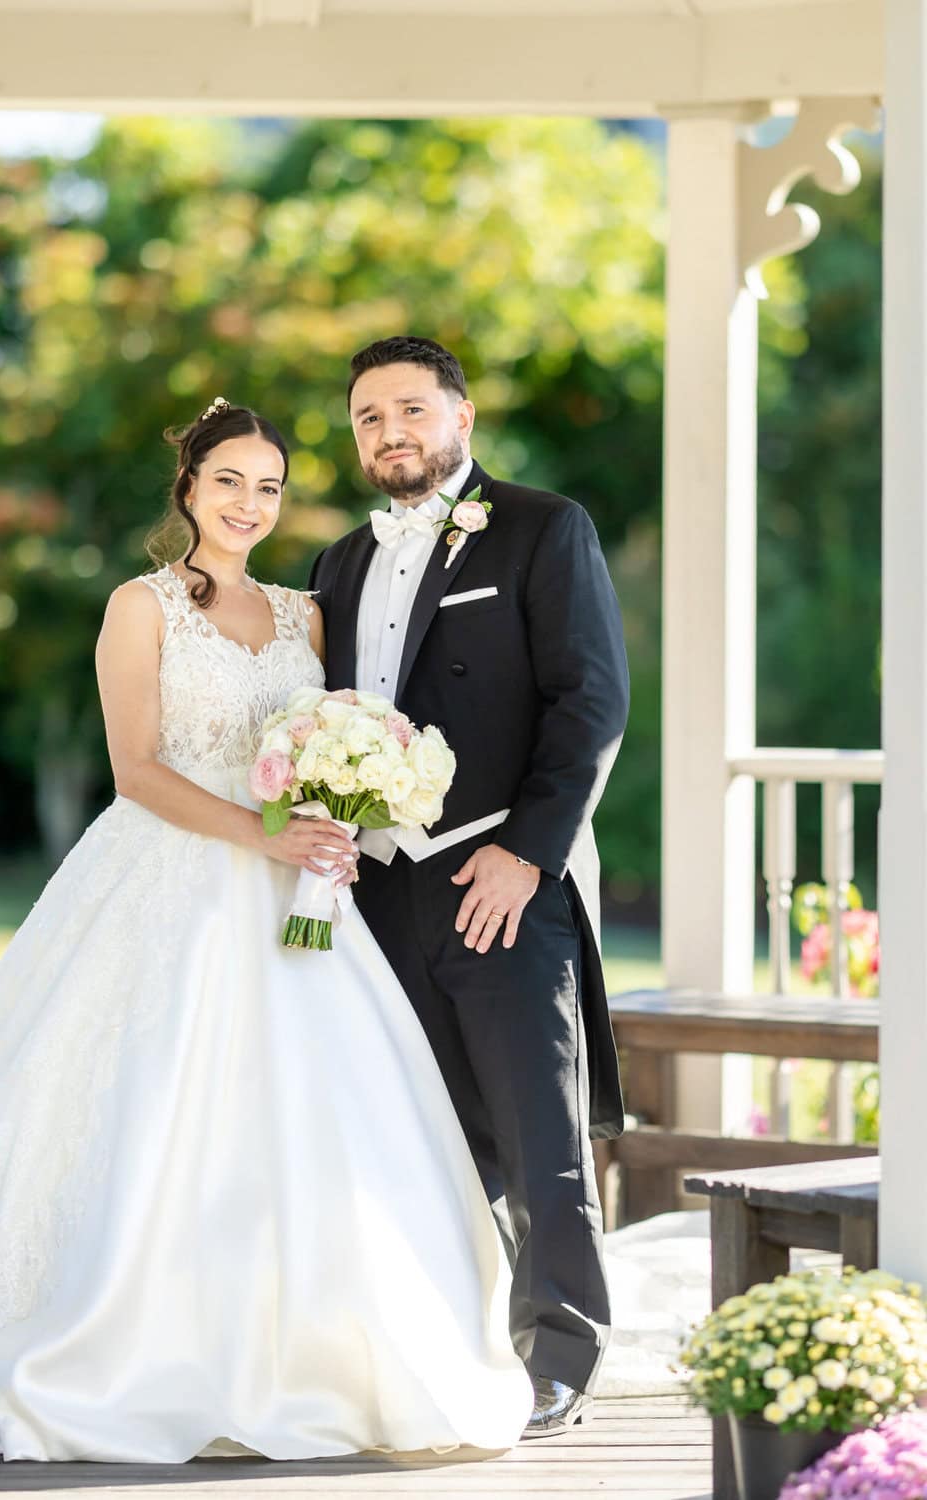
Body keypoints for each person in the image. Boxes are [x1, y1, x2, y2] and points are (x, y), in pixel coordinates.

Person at [0, 399, 532, 1463]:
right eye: (229, 480)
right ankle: (122, 1348)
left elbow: (335, 730)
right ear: (188, 487)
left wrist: (350, 796)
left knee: (322, 1110)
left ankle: (328, 1354)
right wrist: (260, 835)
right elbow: (137, 770)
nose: (249, 504)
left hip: (299, 898)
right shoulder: (138, 607)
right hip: (169, 874)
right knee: (146, 1098)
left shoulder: (303, 616)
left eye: (269, 486)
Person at [310, 336, 630, 1434]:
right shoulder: (340, 560)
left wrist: (530, 853)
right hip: (380, 895)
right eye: (367, 418)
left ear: (462, 415)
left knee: (540, 1134)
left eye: (409, 409)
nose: (389, 432)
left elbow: (591, 702)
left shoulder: (546, 527)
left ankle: (561, 1361)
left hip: (501, 874)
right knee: (426, 1134)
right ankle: (455, 1348)